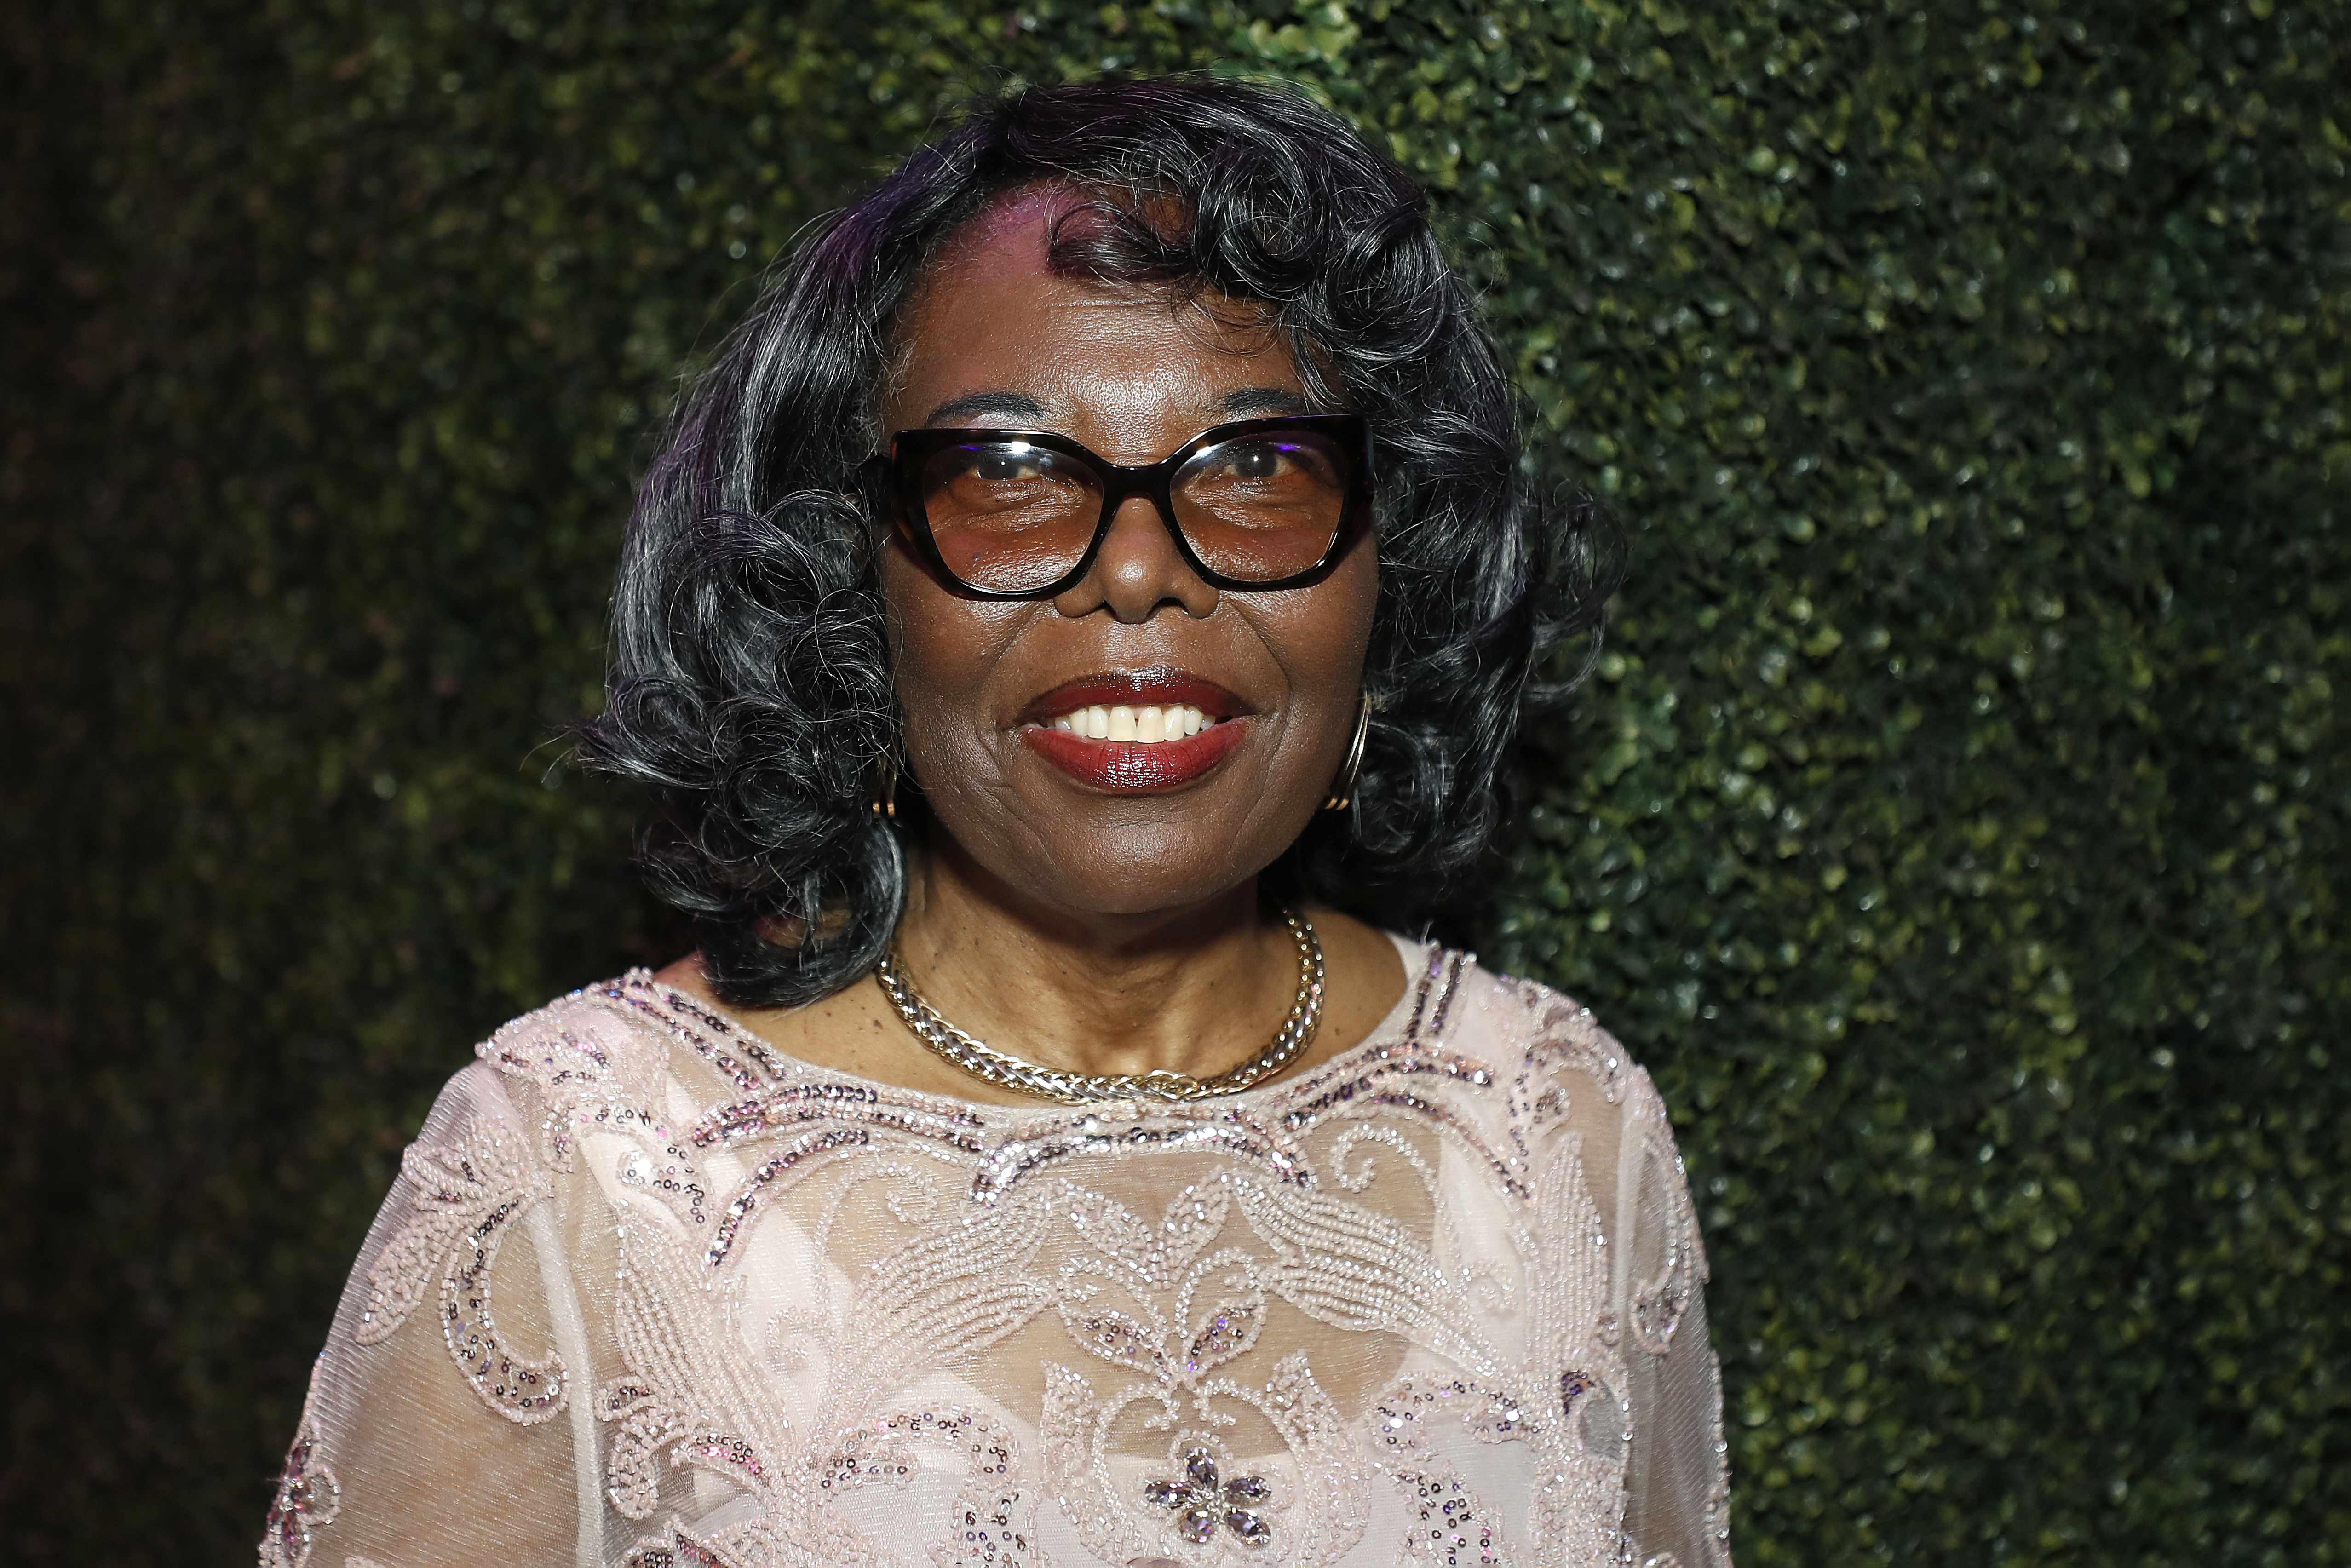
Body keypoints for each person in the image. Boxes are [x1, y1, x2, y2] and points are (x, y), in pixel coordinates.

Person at [259, 75, 1731, 1568]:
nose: (1144, 574)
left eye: (1258, 468)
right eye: (1010, 474)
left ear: (1389, 567)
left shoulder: (1560, 1134)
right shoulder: (582, 1177)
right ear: (851, 589)